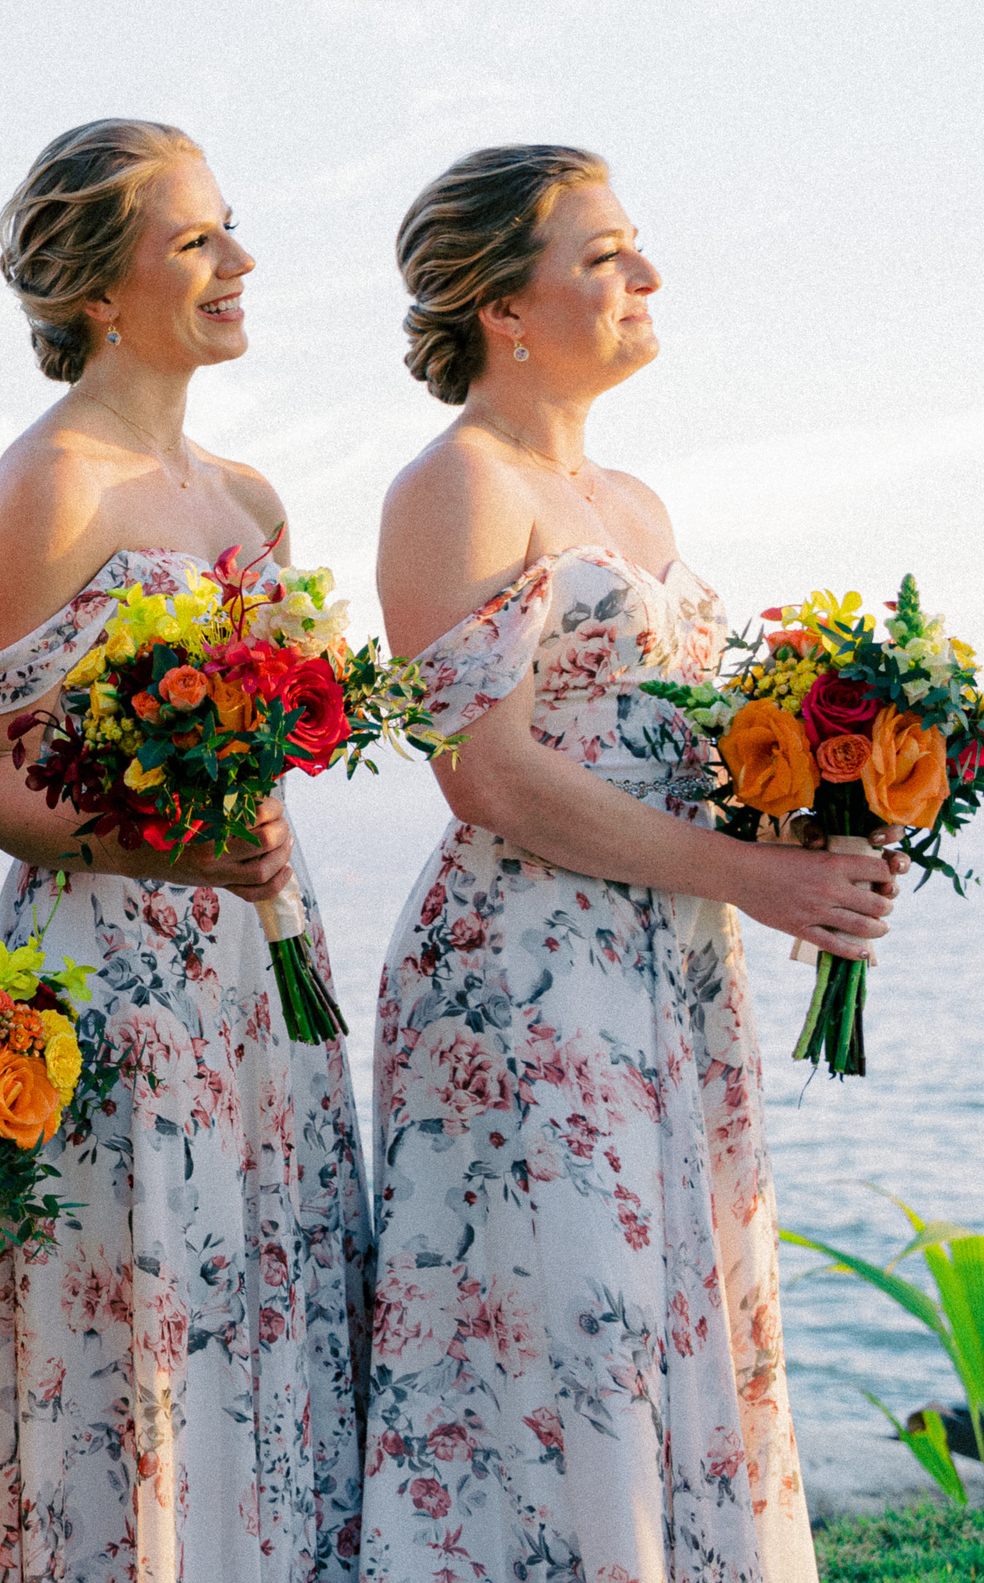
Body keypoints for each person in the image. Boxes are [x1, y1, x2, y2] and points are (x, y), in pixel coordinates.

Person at [360, 144, 904, 1580]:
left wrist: (815, 834)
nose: (645, 277)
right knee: (559, 1338)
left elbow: (702, 746)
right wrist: (745, 873)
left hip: (676, 970)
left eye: (635, 247)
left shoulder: (638, 504)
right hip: (533, 984)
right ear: (502, 305)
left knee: (679, 1314)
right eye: (603, 257)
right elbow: (486, 772)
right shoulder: (453, 487)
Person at [0, 119, 369, 1580]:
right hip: (119, 972)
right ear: (99, 291)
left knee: (272, 1307)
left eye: (230, 227)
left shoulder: (251, 500)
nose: (240, 260)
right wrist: (169, 855)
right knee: (141, 1332)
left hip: (261, 957)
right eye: (196, 240)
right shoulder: (50, 482)